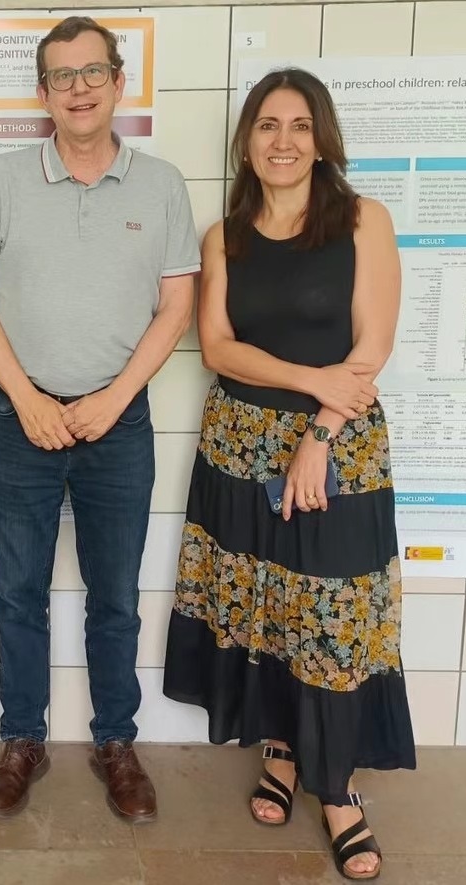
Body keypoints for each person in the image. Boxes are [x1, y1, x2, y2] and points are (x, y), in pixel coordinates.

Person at [162, 68, 412, 881]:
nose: (282, 141)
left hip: (336, 446)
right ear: (246, 141)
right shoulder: (223, 234)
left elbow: (370, 344)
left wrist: (319, 432)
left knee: (334, 615)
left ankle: (336, 789)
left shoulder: (360, 222)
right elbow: (219, 346)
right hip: (237, 444)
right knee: (266, 606)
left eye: (298, 126)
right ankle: (280, 752)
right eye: (267, 125)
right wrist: (309, 382)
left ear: (321, 137)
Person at [0, 16, 199, 821]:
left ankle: (115, 743)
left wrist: (114, 396)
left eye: (94, 71)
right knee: (17, 593)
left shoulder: (160, 183)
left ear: (118, 81)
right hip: (17, 418)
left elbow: (176, 306)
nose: (80, 87)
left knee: (114, 596)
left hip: (116, 423)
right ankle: (21, 739)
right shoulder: (3, 178)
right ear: (43, 93)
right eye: (62, 75)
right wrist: (26, 397)